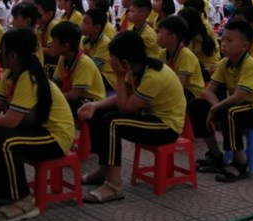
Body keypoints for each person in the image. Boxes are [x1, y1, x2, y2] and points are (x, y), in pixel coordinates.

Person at [0, 27, 74, 221]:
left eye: (2, 48)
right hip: (35, 129)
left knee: (5, 141)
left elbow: (10, 120)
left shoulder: (28, 77)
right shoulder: (11, 74)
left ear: (12, 55)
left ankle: (24, 201)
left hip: (54, 137)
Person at [78, 30, 185, 200]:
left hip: (166, 127)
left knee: (112, 122)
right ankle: (104, 170)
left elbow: (125, 108)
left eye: (113, 58)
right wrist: (95, 105)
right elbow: (123, 97)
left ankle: (114, 185)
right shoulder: (137, 68)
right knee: (99, 113)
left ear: (124, 62)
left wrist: (119, 76)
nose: (110, 61)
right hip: (151, 119)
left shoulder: (153, 76)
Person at [188, 19, 253, 182]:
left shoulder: (249, 64)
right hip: (236, 107)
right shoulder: (225, 63)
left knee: (229, 111)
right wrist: (216, 108)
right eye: (223, 39)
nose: (223, 44)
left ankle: (240, 163)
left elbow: (239, 96)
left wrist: (216, 109)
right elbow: (208, 91)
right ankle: (215, 154)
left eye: (229, 40)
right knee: (196, 106)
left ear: (244, 46)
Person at [48, 20, 107, 119]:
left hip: (91, 102)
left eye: (54, 41)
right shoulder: (63, 58)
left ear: (65, 46)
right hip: (78, 97)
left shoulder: (83, 63)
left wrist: (53, 98)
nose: (51, 44)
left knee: (61, 106)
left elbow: (74, 95)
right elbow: (56, 81)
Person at [157, 14, 206, 100]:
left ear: (172, 37)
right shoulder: (162, 53)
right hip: (175, 87)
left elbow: (179, 85)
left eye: (161, 32)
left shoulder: (186, 55)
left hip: (192, 93)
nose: (157, 35)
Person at [80, 7, 116, 90]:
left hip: (106, 78)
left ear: (97, 28)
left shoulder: (105, 43)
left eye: (86, 23)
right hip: (94, 72)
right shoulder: (84, 40)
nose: (81, 25)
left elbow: (94, 66)